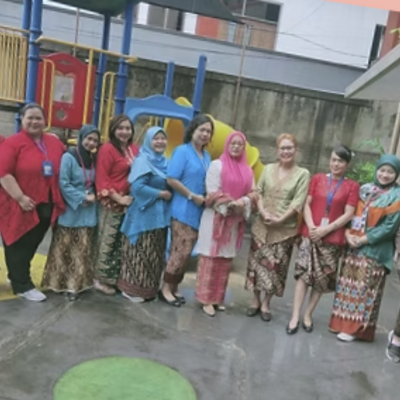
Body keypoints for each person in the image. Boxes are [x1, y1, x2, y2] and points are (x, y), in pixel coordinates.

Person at [286, 145, 359, 334]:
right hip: (310, 236)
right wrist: (312, 227)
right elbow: (307, 204)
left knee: (321, 279)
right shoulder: (317, 179)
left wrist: (326, 229)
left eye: (340, 161)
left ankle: (308, 314)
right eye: (333, 159)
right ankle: (295, 316)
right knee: (303, 276)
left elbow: (349, 213)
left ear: (347, 164)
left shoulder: (352, 186)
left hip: (332, 239)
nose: (336, 164)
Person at [329, 154, 400, 342]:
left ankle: (356, 330)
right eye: (382, 170)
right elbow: (350, 213)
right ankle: (341, 324)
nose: (385, 175)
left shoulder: (397, 196)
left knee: (365, 290)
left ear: (396, 174)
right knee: (347, 286)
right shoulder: (365, 190)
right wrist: (347, 234)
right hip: (353, 246)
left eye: (390, 172)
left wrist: (363, 240)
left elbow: (389, 227)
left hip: (374, 250)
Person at [0, 103, 65, 302]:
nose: (34, 122)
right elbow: (3, 172)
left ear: (45, 121)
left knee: (32, 243)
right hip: (18, 203)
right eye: (30, 117)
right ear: (22, 119)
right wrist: (20, 198)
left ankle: (16, 275)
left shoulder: (53, 142)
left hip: (46, 201)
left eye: (38, 118)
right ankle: (22, 285)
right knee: (17, 242)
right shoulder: (12, 143)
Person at [245, 133, 310, 321]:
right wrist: (263, 212)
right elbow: (259, 192)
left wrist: (280, 219)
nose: (286, 152)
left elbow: (298, 202)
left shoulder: (302, 174)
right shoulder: (267, 169)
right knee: (256, 265)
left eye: (289, 148)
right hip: (262, 226)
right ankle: (255, 299)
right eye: (282, 148)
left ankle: (267, 302)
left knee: (276, 268)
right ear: (277, 150)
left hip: (284, 230)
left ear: (296, 150)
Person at [195, 131, 258, 316]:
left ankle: (218, 298)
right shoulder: (217, 165)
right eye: (233, 143)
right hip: (215, 219)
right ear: (227, 145)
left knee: (225, 260)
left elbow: (254, 192)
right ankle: (205, 299)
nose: (236, 147)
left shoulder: (247, 170)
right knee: (211, 257)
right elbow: (212, 192)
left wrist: (243, 202)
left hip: (233, 222)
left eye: (240, 144)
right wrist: (232, 204)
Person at [159, 114, 214, 307]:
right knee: (179, 251)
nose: (205, 134)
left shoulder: (207, 156)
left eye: (208, 131)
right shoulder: (182, 151)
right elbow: (171, 178)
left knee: (187, 251)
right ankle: (166, 289)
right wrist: (191, 195)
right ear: (192, 130)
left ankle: (175, 286)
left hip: (198, 211)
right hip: (182, 209)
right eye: (202, 130)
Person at [41, 125, 100, 301]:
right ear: (81, 138)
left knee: (81, 250)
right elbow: (63, 183)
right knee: (64, 248)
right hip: (70, 210)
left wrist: (94, 196)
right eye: (88, 139)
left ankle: (75, 286)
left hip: (88, 211)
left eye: (95, 140)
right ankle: (58, 283)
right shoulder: (69, 157)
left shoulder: (94, 159)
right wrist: (82, 197)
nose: (91, 143)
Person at [118, 127, 171, 302]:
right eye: (156, 138)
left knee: (153, 254)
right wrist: (160, 194)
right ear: (148, 141)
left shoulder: (166, 162)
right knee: (139, 252)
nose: (160, 142)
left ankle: (148, 290)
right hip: (142, 213)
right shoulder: (142, 161)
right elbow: (137, 188)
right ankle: (131, 290)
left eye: (163, 138)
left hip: (160, 215)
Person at [94, 115, 139, 295]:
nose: (124, 132)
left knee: (120, 243)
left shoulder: (133, 148)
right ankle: (100, 279)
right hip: (112, 203)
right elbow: (102, 179)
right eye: (120, 128)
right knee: (108, 241)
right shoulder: (107, 149)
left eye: (127, 128)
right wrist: (118, 199)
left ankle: (115, 278)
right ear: (113, 130)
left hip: (128, 203)